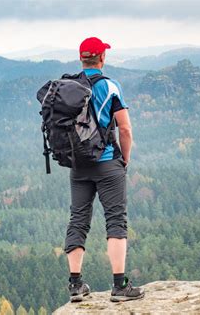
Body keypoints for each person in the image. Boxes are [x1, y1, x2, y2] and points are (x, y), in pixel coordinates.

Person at [64, 37, 144, 303]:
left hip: (78, 165)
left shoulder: (68, 86)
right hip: (108, 162)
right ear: (102, 58)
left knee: (78, 219)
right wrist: (126, 158)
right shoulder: (110, 86)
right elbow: (125, 128)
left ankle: (76, 285)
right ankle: (119, 287)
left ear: (81, 59)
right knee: (116, 221)